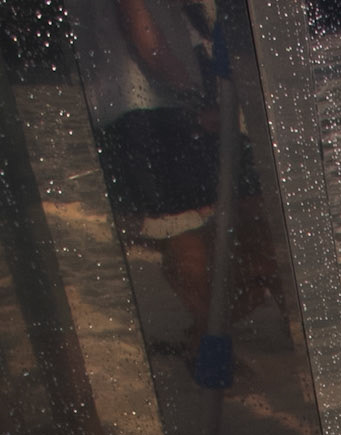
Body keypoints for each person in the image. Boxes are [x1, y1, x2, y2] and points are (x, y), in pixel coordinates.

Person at [68, 0, 278, 340]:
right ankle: (211, 340)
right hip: (150, 107)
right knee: (187, 228)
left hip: (134, 106)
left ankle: (213, 331)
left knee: (229, 214)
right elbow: (142, 30)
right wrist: (196, 96)